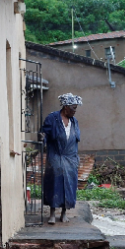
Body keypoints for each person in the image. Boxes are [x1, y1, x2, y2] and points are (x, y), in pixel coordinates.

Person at [41, 93, 82, 224]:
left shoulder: (74, 121)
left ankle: (64, 213)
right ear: (66, 107)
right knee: (54, 183)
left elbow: (75, 141)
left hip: (70, 158)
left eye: (76, 108)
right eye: (73, 108)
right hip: (56, 156)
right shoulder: (53, 118)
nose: (75, 111)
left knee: (69, 185)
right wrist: (41, 141)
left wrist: (76, 159)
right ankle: (52, 213)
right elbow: (44, 134)